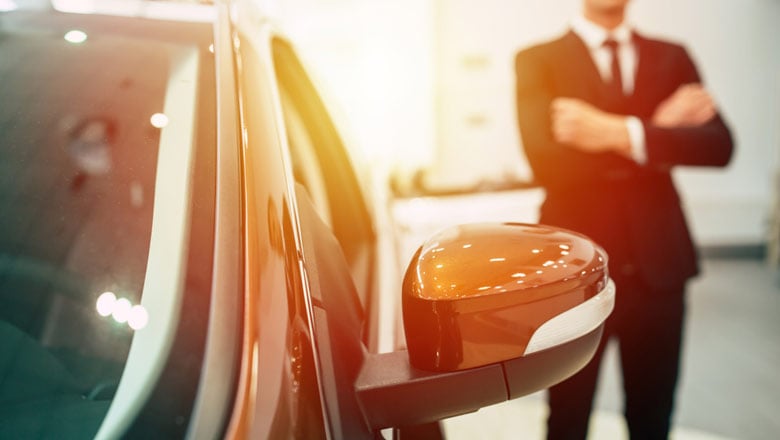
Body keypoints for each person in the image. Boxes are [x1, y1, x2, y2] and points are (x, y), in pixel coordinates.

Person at [514, 0, 734, 439]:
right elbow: (549, 165)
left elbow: (718, 146)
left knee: (654, 416)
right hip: (575, 272)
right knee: (567, 417)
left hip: (660, 267)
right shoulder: (538, 59)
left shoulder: (673, 55)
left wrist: (613, 132)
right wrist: (657, 130)